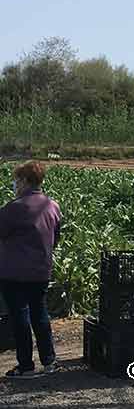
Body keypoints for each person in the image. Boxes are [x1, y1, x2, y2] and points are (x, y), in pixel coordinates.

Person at [0, 161, 62, 379]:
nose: (15, 184)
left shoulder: (13, 208)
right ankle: (49, 361)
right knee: (40, 314)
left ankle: (26, 366)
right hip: (41, 271)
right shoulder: (52, 206)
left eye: (17, 180)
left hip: (14, 273)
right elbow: (55, 238)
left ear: (25, 181)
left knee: (20, 317)